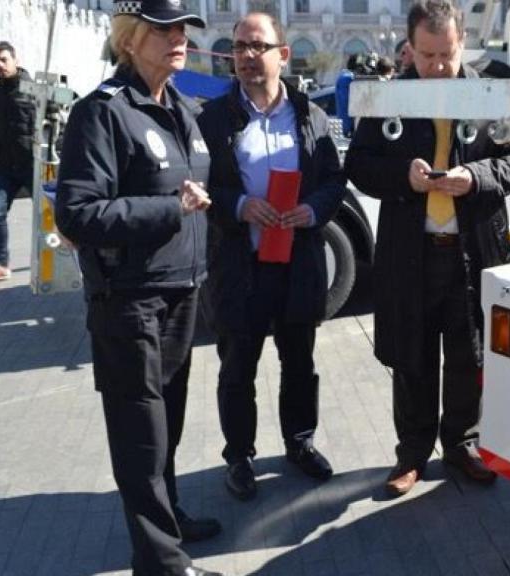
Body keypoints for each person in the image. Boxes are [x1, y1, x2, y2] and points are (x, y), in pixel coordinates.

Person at [54, 2, 222, 575]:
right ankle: (161, 563)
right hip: (129, 301)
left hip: (181, 290)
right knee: (141, 437)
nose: (179, 39)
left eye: (183, 29)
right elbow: (76, 215)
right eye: (164, 30)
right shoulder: (102, 113)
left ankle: (167, 520)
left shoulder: (181, 109)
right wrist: (169, 208)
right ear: (130, 40)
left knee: (166, 424)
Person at [344, 0, 510, 497]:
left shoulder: (491, 91)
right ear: (409, 48)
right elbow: (360, 166)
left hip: (472, 250)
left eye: (446, 55)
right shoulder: (390, 98)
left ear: (461, 41)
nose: (437, 68)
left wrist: (477, 176)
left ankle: (460, 443)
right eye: (426, 56)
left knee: (469, 354)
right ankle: (411, 453)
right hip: (411, 253)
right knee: (411, 356)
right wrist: (403, 178)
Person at [197, 12, 347, 501]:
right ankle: (239, 456)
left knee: (299, 362)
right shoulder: (213, 119)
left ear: (282, 54)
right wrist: (240, 205)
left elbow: (332, 181)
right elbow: (201, 187)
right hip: (240, 268)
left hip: (297, 262)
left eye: (256, 46)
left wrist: (312, 210)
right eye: (238, 47)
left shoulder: (310, 115)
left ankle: (299, 443)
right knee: (237, 366)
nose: (244, 56)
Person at [0, 41, 36, 282]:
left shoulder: (36, 89)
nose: (0, 65)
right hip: (4, 166)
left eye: (4, 59)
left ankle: (71, 259)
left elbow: (59, 120)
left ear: (15, 59)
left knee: (53, 217)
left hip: (35, 165)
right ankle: (1, 264)